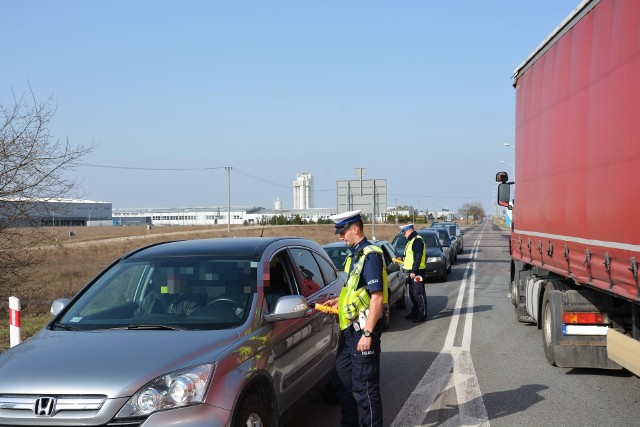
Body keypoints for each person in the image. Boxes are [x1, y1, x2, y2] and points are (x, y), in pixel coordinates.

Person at [325, 210, 387, 427]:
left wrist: (368, 334)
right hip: (348, 332)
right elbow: (354, 292)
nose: (340, 237)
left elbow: (377, 298)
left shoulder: (370, 256)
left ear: (355, 229)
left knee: (365, 388)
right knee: (343, 383)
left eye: (343, 232)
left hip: (362, 331)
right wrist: (337, 303)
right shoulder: (355, 256)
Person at [400, 224, 427, 323]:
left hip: (417, 271)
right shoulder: (412, 241)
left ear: (410, 231)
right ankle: (415, 312)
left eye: (404, 232)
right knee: (412, 293)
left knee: (418, 294)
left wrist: (414, 271)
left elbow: (418, 256)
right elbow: (410, 256)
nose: (403, 235)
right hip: (412, 271)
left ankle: (422, 315)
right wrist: (402, 259)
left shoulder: (417, 240)